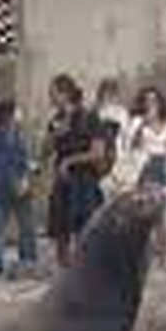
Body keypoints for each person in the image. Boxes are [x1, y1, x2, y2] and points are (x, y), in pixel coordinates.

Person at [45, 74, 106, 268]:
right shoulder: (56, 120)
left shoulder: (89, 117)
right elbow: (45, 152)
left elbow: (98, 152)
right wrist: (55, 135)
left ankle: (85, 268)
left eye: (53, 93)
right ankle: (64, 269)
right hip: (63, 182)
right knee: (60, 229)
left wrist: (71, 161)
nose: (51, 98)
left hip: (85, 180)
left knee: (85, 228)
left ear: (65, 94)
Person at [0, 99, 38, 283]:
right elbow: (9, 162)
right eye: (18, 112)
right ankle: (25, 262)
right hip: (9, 186)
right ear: (11, 115)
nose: (21, 115)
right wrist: (21, 179)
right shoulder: (5, 136)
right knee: (23, 225)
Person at [133, 87, 166, 264]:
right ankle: (143, 255)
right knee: (144, 213)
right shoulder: (139, 122)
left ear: (160, 103)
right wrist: (141, 126)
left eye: (154, 100)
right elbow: (132, 146)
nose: (151, 104)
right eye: (147, 100)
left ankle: (163, 257)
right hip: (145, 166)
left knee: (162, 214)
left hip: (162, 167)